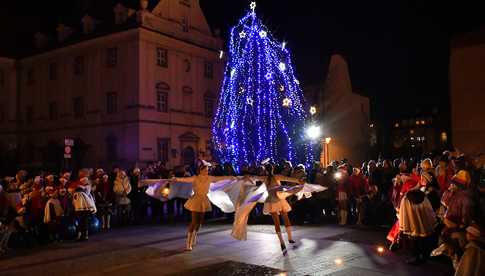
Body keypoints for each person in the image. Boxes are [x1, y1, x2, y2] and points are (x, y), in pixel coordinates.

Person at [171, 162, 235, 251]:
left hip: (204, 200)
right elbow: (185, 180)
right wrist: (176, 179)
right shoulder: (195, 178)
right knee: (194, 221)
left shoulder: (209, 178)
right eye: (205, 170)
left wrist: (231, 178)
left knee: (200, 222)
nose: (206, 171)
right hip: (196, 199)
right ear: (200, 170)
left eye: (207, 170)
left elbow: (220, 178)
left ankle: (195, 235)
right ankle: (188, 243)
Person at [262, 163, 304, 254]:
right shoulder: (277, 176)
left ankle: (282, 242)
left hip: (270, 201)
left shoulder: (264, 179)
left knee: (276, 222)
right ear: (272, 169)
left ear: (265, 170)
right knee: (285, 218)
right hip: (279, 199)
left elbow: (254, 180)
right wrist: (299, 181)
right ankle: (290, 238)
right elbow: (289, 179)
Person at [72, 176, 97, 241]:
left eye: (85, 180)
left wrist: (91, 208)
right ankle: (80, 235)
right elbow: (74, 201)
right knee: (81, 222)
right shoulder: (77, 192)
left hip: (85, 208)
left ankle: (85, 235)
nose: (84, 181)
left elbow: (89, 198)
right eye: (83, 180)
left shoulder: (87, 188)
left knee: (84, 222)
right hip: (79, 209)